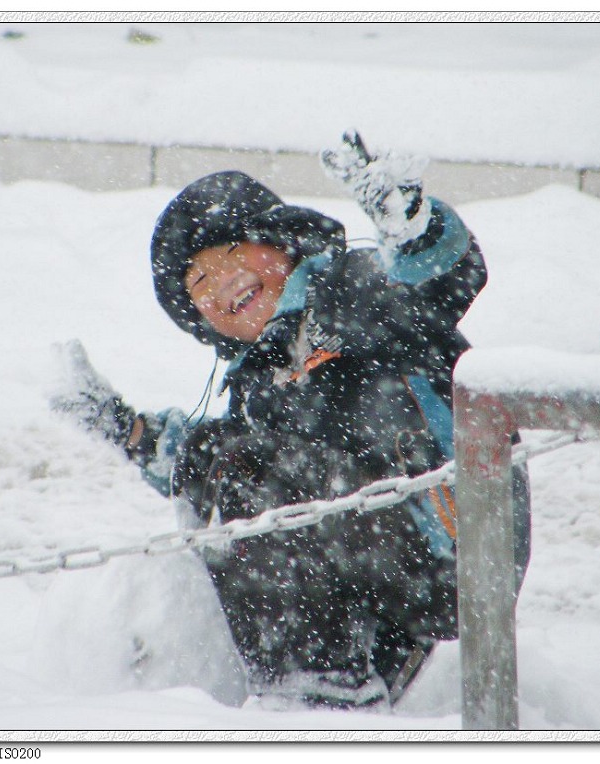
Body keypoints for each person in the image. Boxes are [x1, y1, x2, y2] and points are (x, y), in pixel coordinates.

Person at [51, 131, 531, 710]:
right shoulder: (260, 379)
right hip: (384, 575)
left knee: (247, 463)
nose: (221, 281)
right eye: (199, 281)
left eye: (232, 253)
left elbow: (442, 278)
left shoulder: (350, 285)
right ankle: (342, 686)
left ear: (281, 244)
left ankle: (315, 700)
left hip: (459, 548)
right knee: (214, 454)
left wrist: (411, 226)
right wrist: (122, 427)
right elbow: (200, 456)